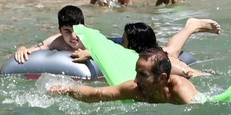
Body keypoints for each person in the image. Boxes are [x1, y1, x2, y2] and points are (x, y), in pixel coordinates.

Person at [47, 45, 201, 105]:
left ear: (162, 78)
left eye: (142, 75)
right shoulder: (135, 89)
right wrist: (69, 90)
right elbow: (97, 94)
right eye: (136, 73)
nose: (136, 79)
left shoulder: (179, 90)